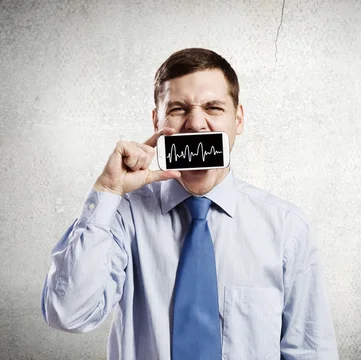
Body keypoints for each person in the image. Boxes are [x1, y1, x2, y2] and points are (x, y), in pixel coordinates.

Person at [41, 48, 339, 360]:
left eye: (213, 108)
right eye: (178, 109)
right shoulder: (122, 216)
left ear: (238, 119)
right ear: (157, 121)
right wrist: (107, 190)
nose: (196, 124)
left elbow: (310, 352)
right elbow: (67, 314)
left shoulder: (286, 228)